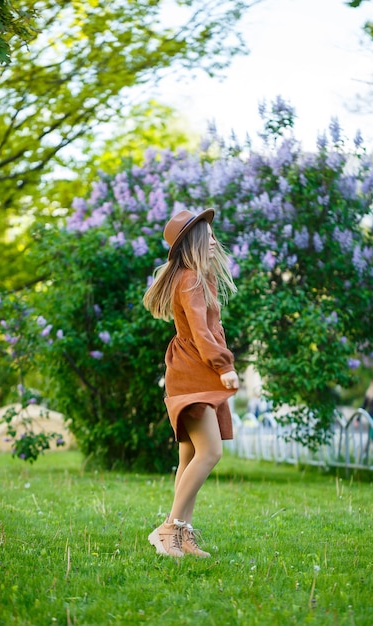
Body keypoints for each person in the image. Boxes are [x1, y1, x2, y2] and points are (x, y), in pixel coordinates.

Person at [143, 209, 239, 558]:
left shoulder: (197, 277)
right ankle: (170, 528)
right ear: (193, 244)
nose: (214, 241)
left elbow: (208, 329)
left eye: (214, 235)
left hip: (193, 372)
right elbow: (201, 332)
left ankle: (181, 536)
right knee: (210, 452)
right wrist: (223, 364)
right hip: (193, 373)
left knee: (189, 456)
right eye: (207, 236)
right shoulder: (191, 279)